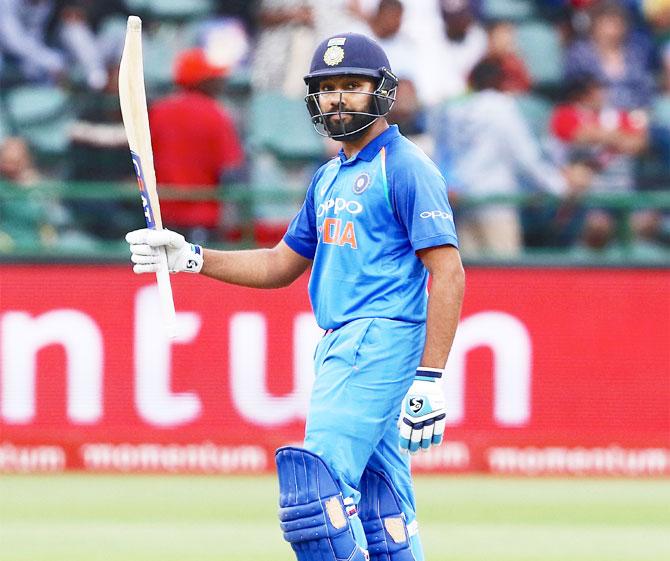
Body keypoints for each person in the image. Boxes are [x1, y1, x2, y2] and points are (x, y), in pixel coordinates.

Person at [126, 33, 464, 561]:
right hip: (341, 342)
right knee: (384, 513)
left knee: (317, 497)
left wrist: (430, 377)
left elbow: (448, 271)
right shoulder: (329, 175)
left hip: (377, 338)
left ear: (382, 91)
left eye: (352, 86)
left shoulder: (403, 166)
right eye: (327, 88)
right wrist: (189, 257)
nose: (337, 98)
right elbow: (281, 263)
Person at [149, 47, 245, 245]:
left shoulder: (159, 111)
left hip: (161, 214)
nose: (220, 83)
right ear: (204, 82)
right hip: (203, 218)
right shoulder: (216, 114)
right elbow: (230, 169)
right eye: (214, 79)